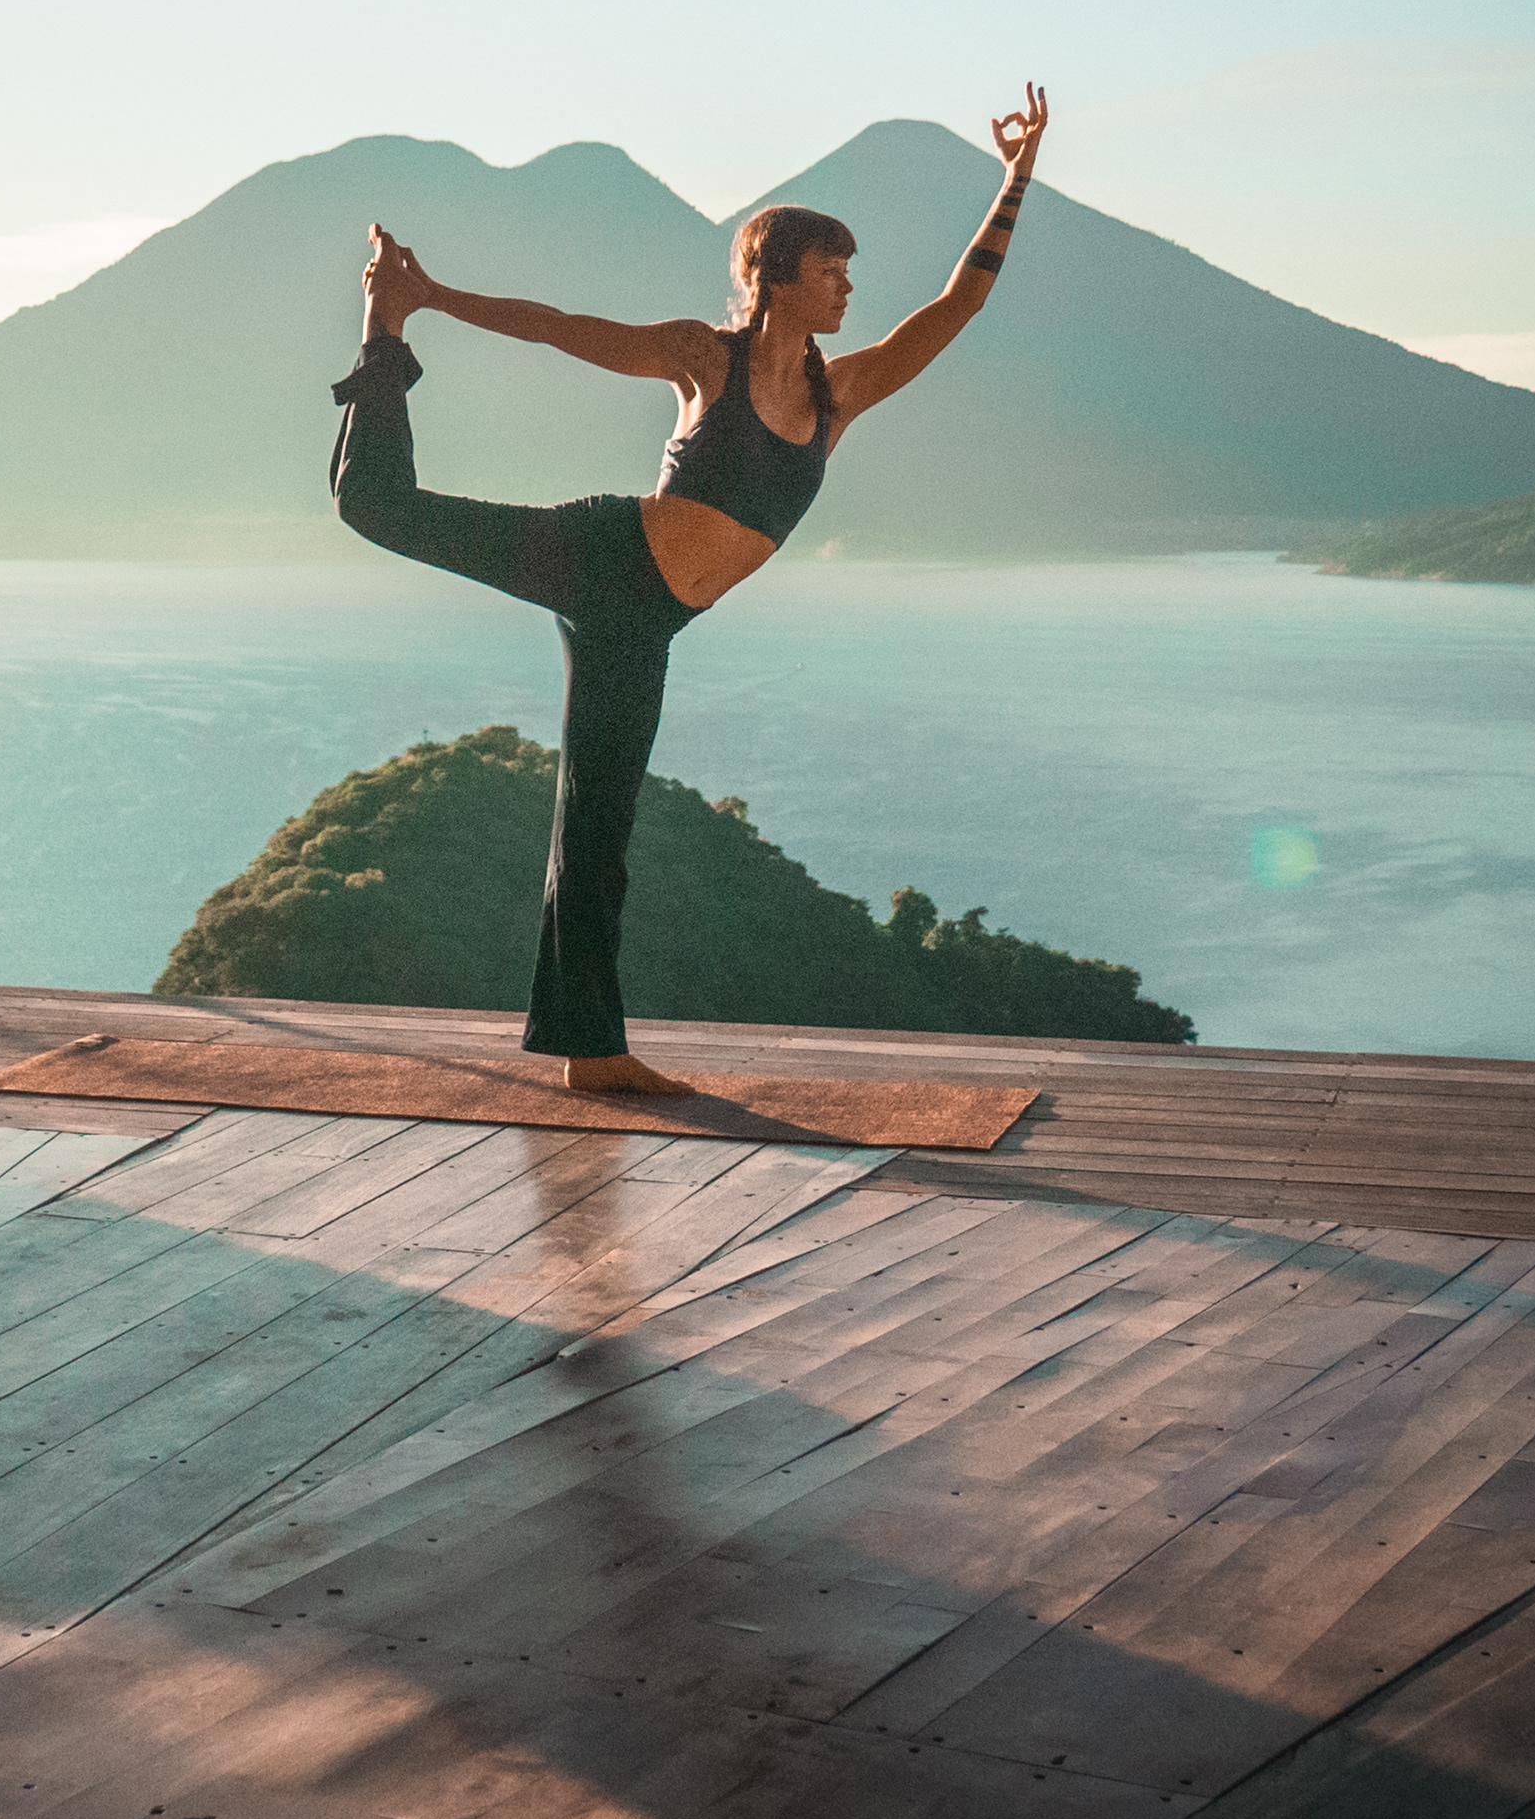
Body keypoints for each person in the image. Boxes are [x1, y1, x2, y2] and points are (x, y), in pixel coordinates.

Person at [329, 85, 1050, 1092]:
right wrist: (430, 299)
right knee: (377, 507)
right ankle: (380, 333)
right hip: (601, 555)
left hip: (649, 623)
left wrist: (1015, 177)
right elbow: (559, 327)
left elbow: (958, 305)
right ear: (778, 276)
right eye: (831, 268)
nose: (848, 287)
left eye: (850, 270)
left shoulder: (841, 394)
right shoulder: (702, 358)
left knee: (598, 828)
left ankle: (591, 1053)